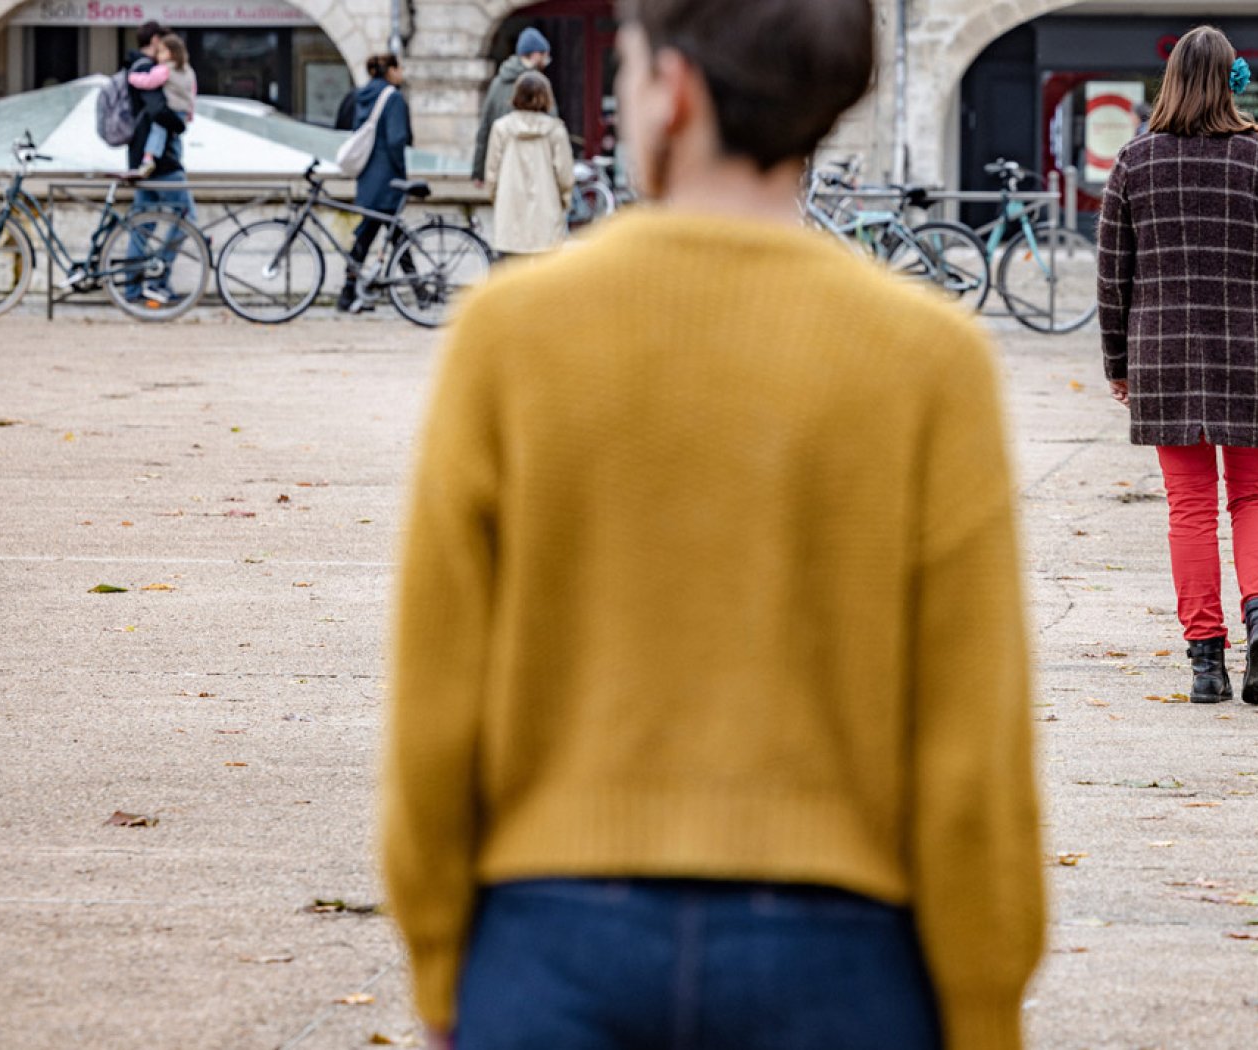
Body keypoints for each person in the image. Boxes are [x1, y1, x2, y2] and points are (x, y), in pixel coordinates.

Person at [383, 0, 1044, 1048]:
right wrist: (979, 1000)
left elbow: (435, 697)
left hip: (548, 931)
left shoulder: (507, 338)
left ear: (673, 90)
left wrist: (439, 955)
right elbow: (971, 739)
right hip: (843, 946)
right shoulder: (929, 360)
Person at [1098, 25, 1258, 707]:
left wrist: (1118, 362)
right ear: (1234, 80)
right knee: (1256, 498)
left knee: (1189, 508)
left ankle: (1205, 663)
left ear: (1168, 82)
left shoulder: (1134, 162)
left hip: (1164, 356)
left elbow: (1114, 277)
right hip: (1256, 353)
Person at [122, 20, 194, 307]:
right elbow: (158, 110)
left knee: (143, 224)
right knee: (186, 219)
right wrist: (180, 123)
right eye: (163, 44)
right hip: (162, 162)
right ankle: (157, 279)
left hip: (144, 159)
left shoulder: (141, 67)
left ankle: (132, 288)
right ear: (154, 42)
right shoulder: (146, 69)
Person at [340, 53, 412, 311]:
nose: (402, 72)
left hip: (368, 177)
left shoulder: (362, 95)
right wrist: (402, 172)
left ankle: (348, 292)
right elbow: (396, 139)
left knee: (369, 235)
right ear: (390, 70)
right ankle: (420, 291)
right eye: (399, 67)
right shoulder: (392, 98)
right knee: (392, 235)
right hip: (388, 177)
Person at [484, 72, 576, 258]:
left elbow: (492, 172)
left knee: (509, 274)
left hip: (510, 207)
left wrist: (496, 197)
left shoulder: (501, 128)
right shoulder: (555, 129)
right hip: (547, 208)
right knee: (547, 276)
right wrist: (565, 201)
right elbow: (565, 175)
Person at [472, 27, 553, 186]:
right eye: (545, 55)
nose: (547, 60)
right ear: (536, 54)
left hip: (505, 167)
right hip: (536, 168)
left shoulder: (497, 83)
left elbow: (485, 129)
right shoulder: (540, 85)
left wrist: (479, 172)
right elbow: (552, 122)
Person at [129, 32, 196, 179]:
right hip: (182, 112)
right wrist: (190, 113)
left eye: (161, 51)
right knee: (174, 137)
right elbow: (192, 93)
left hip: (170, 109)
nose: (157, 55)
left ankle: (148, 158)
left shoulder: (164, 69)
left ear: (170, 53)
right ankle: (177, 159)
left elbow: (149, 81)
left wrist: (133, 78)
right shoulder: (189, 71)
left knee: (157, 131)